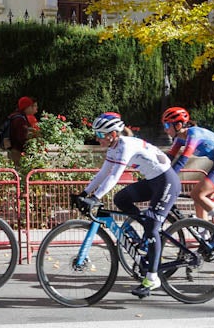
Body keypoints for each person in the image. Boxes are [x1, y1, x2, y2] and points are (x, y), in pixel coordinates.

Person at [77, 112, 182, 299]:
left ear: (113, 134)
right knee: (120, 199)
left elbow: (114, 176)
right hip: (153, 181)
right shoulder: (113, 147)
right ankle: (143, 235)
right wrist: (84, 193)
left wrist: (96, 197)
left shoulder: (125, 146)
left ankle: (152, 278)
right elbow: (102, 173)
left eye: (101, 135)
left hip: (167, 182)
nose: (97, 138)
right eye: (96, 134)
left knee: (152, 226)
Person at [161, 106, 214, 244]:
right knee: (200, 198)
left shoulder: (194, 134)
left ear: (178, 125)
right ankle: (205, 237)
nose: (165, 130)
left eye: (166, 125)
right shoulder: (179, 139)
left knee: (197, 194)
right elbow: (168, 159)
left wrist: (168, 179)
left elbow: (182, 161)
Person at [6, 96, 40, 168]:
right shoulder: (19, 119)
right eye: (31, 106)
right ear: (26, 107)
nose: (32, 108)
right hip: (17, 151)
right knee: (19, 173)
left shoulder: (18, 116)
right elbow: (21, 137)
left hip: (14, 150)